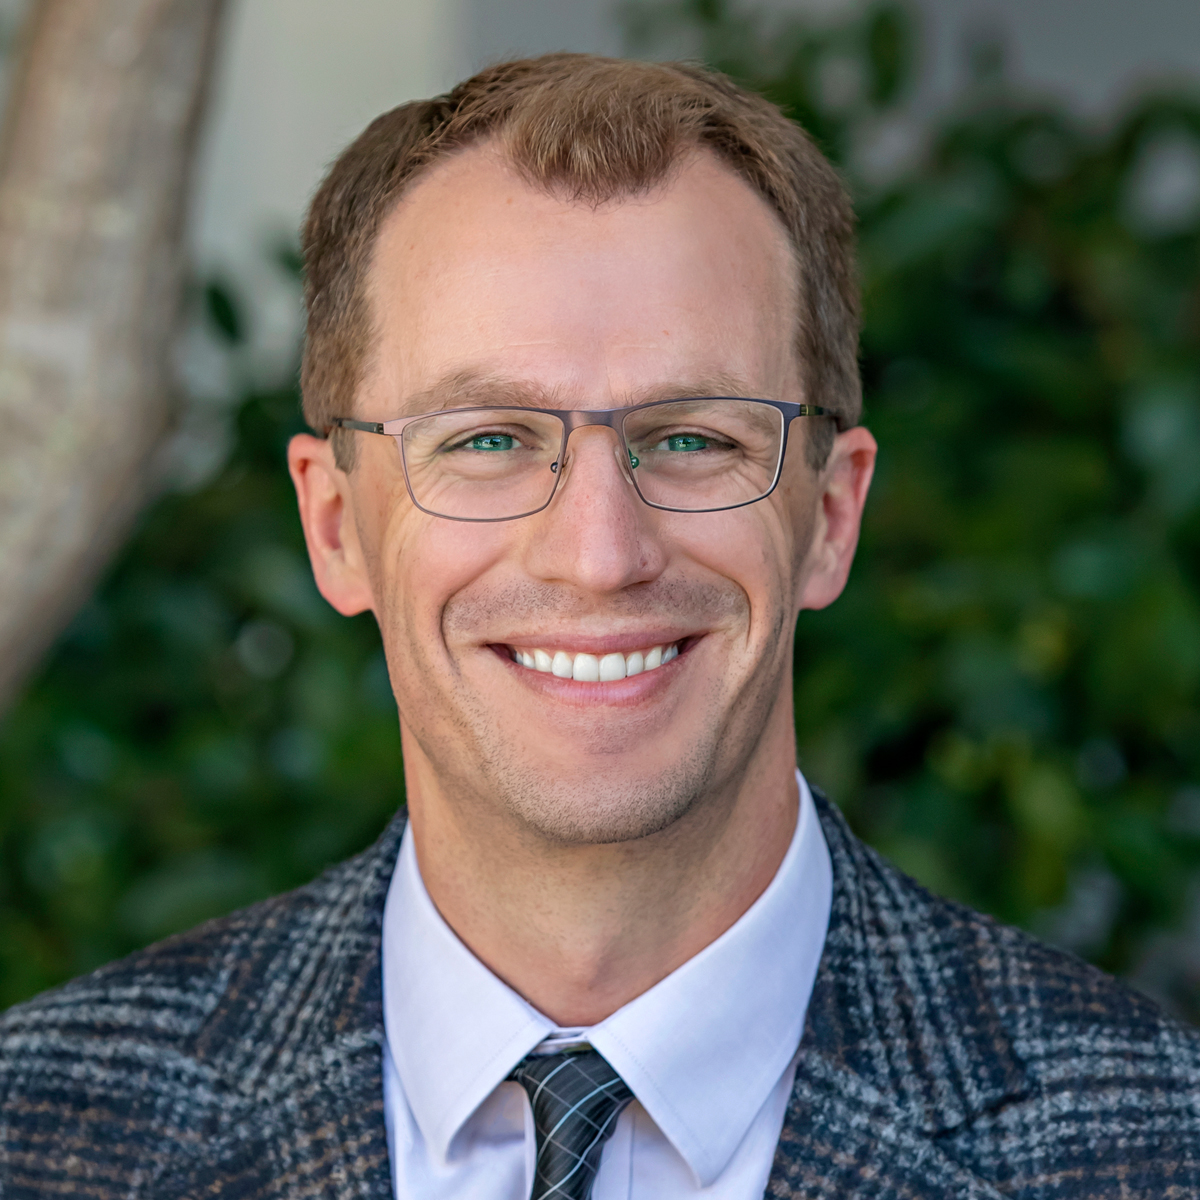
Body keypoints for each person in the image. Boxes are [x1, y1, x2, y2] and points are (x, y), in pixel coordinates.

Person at [2, 52, 1199, 1200]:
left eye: (692, 437)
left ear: (830, 516)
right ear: (335, 527)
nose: (598, 555)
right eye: (484, 439)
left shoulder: (1158, 1148)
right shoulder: (38, 1132)